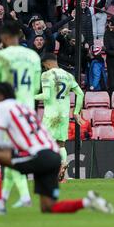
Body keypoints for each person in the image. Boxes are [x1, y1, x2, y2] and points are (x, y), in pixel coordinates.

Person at [0, 83, 114, 217]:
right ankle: (88, 202)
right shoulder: (24, 108)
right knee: (48, 207)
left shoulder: (2, 107)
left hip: (38, 155)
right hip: (53, 155)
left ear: (0, 96)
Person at [0, 20, 42, 209]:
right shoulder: (33, 56)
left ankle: (25, 197)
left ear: (4, 37)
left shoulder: (1, 56)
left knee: (10, 154)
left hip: (9, 109)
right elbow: (36, 86)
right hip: (27, 109)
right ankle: (4, 197)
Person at [35, 53, 85, 182]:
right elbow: (80, 93)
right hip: (63, 114)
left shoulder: (46, 75)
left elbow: (46, 96)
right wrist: (76, 112)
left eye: (44, 66)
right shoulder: (68, 75)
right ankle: (63, 169)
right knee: (61, 144)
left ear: (48, 63)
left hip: (51, 114)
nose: (45, 68)